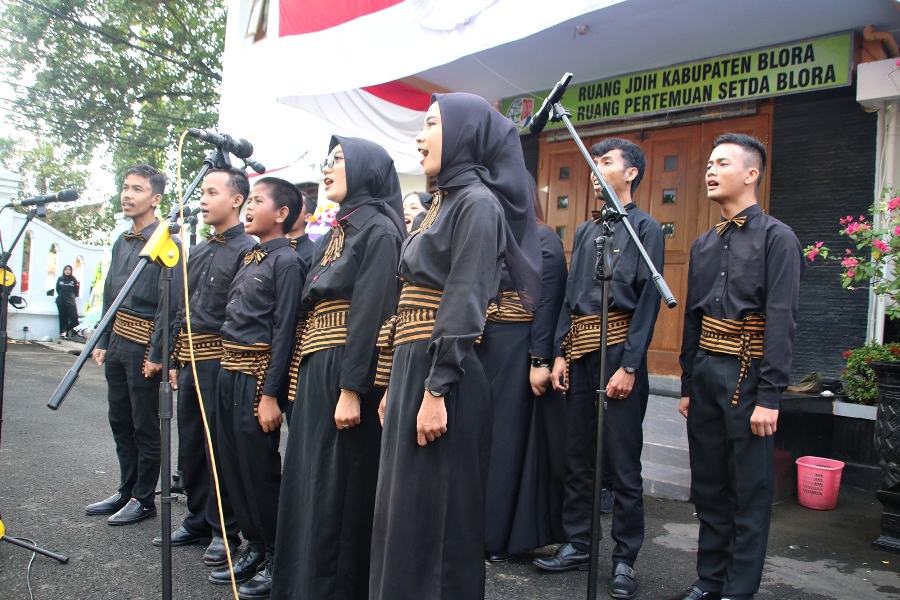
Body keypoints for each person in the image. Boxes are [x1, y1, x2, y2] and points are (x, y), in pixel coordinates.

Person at [369, 92, 541, 600]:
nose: (419, 136)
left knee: (436, 519)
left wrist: (436, 389)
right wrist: (393, 387)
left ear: (465, 134)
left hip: (445, 377)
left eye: (430, 124)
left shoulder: (477, 205)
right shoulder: (440, 204)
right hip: (413, 370)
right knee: (403, 511)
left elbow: (466, 300)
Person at [670, 134, 803, 600]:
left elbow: (782, 320)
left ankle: (738, 589)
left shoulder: (778, 239)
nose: (709, 170)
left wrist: (770, 397)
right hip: (706, 373)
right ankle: (709, 580)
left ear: (751, 174)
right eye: (708, 163)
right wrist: (687, 383)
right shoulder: (704, 244)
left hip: (748, 375)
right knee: (708, 486)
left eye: (720, 163)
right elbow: (692, 317)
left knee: (748, 488)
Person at [271, 136, 405, 600]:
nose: (327, 169)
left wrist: (352, 388)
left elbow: (373, 313)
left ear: (366, 169)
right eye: (327, 161)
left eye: (339, 161)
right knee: (307, 480)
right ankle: (300, 584)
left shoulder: (380, 230)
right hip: (316, 367)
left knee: (337, 489)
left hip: (347, 372)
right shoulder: (336, 229)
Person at [535, 138, 664, 600]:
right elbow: (571, 298)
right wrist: (560, 354)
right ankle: (578, 543)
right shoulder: (589, 232)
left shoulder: (648, 230)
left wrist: (629, 366)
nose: (595, 169)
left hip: (620, 361)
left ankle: (625, 558)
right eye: (593, 161)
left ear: (631, 173)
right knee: (579, 459)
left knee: (624, 465)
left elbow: (649, 304)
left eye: (605, 161)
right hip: (582, 355)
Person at [208, 177, 305, 599]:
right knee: (232, 465)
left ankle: (275, 554)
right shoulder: (251, 256)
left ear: (281, 214)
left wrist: (270, 395)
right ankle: (254, 545)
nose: (249, 207)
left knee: (259, 470)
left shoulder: (287, 262)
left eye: (259, 201)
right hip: (227, 372)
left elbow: (285, 332)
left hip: (256, 378)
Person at [156, 167, 256, 566]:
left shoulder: (249, 249)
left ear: (236, 200)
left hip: (223, 359)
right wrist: (176, 358)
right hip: (192, 357)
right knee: (193, 445)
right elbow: (182, 309)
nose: (203, 198)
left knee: (220, 447)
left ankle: (224, 529)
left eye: (213, 192)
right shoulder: (196, 250)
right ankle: (197, 519)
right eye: (203, 191)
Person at [86, 164, 184, 526]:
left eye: (138, 189)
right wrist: (103, 337)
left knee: (146, 425)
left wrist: (158, 352)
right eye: (126, 188)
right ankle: (126, 489)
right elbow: (111, 294)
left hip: (145, 345)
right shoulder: (121, 241)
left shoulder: (166, 244)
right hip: (118, 342)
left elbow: (169, 303)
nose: (128, 195)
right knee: (120, 420)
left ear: (156, 199)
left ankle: (144, 498)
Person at [482, 181, 568, 562]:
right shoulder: (490, 237)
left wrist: (539, 360)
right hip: (486, 350)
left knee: (509, 445)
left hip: (520, 350)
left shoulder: (544, 238)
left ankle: (501, 536)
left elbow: (548, 304)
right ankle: (480, 528)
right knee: (485, 441)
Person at [288, 189, 317, 269]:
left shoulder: (314, 252)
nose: (288, 209)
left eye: (295, 205)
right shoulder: (271, 245)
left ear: (308, 217)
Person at [55, 265, 80, 338]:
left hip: (70, 301)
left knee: (74, 317)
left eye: (69, 270)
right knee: (63, 317)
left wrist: (71, 296)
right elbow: (57, 289)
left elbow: (76, 290)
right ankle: (62, 332)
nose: (67, 271)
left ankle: (76, 330)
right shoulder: (60, 279)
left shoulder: (73, 280)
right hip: (61, 301)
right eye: (66, 269)